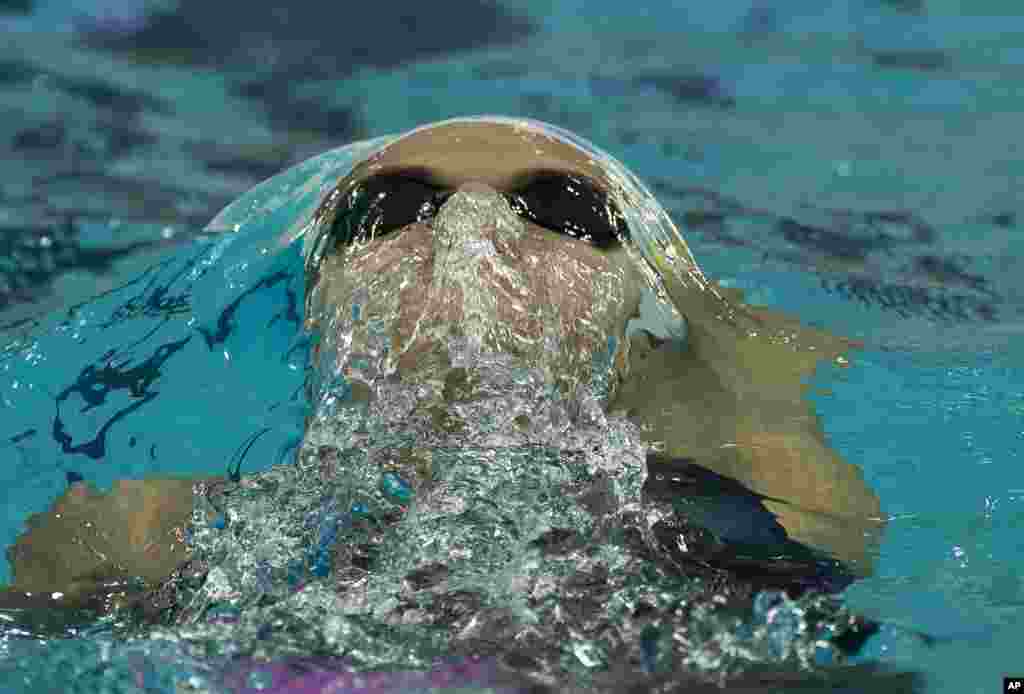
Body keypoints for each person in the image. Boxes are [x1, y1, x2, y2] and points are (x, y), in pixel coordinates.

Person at [1, 118, 888, 672]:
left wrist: (734, 365)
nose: (472, 227)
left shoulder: (727, 524)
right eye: (391, 207)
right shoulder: (146, 529)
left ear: (642, 320)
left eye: (561, 208)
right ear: (307, 305)